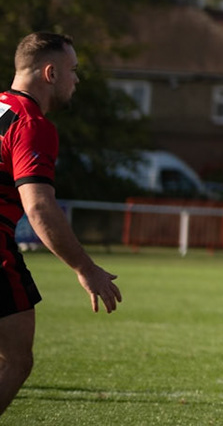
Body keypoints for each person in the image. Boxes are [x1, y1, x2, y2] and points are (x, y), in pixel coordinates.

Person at [0, 33, 121, 412]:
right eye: (73, 70)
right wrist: (85, 268)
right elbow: (39, 207)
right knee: (15, 359)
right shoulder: (32, 124)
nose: (77, 80)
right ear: (50, 73)